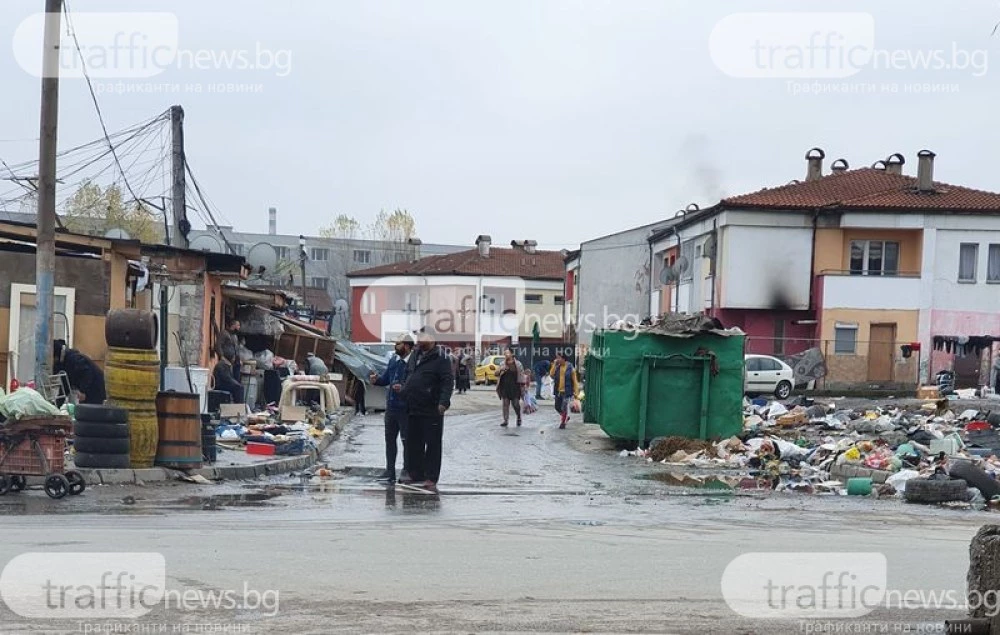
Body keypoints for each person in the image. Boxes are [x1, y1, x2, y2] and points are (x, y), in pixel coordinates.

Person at [400, 328, 454, 492]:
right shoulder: (415, 355)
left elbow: (447, 382)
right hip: (413, 406)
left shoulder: (441, 358)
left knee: (432, 444)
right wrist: (404, 389)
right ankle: (416, 473)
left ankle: (431, 477)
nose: (418, 340)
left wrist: (443, 402)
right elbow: (408, 375)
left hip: (432, 408)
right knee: (413, 443)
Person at [370, 335, 415, 483]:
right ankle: (390, 471)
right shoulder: (394, 361)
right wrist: (377, 380)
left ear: (407, 346)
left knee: (407, 442)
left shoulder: (414, 363)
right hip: (391, 407)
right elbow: (386, 379)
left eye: (398, 344)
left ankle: (406, 470)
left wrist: (403, 388)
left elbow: (416, 384)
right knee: (390, 441)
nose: (396, 346)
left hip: (406, 409)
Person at [53, 340, 106, 405]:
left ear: (56, 357)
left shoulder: (73, 359)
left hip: (95, 389)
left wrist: (83, 390)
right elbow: (65, 386)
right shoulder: (65, 362)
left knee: (89, 408)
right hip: (91, 389)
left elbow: (87, 373)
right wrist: (57, 404)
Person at [549, 351, 580, 429]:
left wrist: (576, 393)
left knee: (564, 406)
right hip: (558, 391)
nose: (557, 359)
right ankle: (565, 417)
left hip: (567, 391)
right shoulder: (557, 366)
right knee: (557, 407)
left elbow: (575, 381)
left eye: (558, 358)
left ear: (563, 358)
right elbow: (551, 375)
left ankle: (563, 422)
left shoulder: (570, 368)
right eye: (557, 358)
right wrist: (554, 364)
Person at [496, 349, 526, 427]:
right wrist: (500, 370)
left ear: (512, 354)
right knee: (505, 404)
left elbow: (522, 375)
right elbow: (496, 373)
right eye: (505, 353)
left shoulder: (518, 364)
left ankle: (518, 416)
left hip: (515, 387)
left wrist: (524, 385)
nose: (506, 355)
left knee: (515, 404)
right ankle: (505, 420)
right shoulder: (502, 364)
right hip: (504, 386)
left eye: (508, 353)